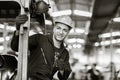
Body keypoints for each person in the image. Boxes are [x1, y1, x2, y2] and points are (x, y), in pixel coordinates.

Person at [10, 14, 74, 80]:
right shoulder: (40, 39)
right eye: (58, 28)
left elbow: (63, 77)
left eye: (65, 30)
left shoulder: (65, 53)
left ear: (68, 32)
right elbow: (16, 46)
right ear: (54, 28)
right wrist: (18, 29)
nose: (61, 32)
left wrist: (62, 70)